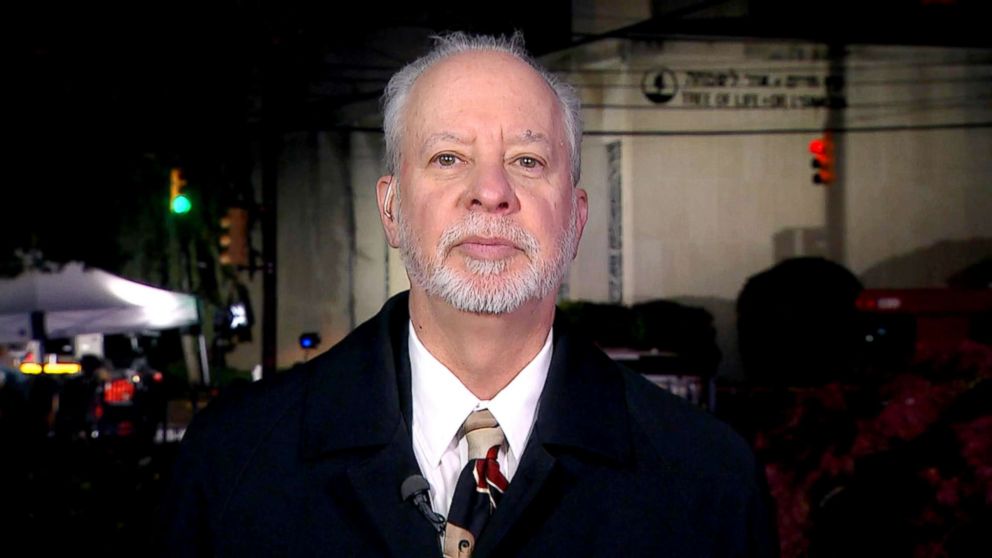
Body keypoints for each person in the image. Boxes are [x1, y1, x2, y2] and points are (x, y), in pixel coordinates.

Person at [161, 32, 778, 557]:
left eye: (528, 161)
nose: (490, 191)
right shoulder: (235, 459)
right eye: (449, 157)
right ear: (392, 210)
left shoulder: (709, 481)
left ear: (576, 217)